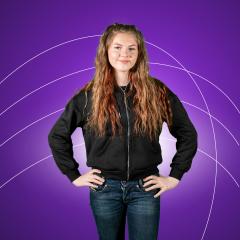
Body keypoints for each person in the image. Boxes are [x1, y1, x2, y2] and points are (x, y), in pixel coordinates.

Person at [48, 23, 198, 240]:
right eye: (117, 47)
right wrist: (73, 175)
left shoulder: (158, 93)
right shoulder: (88, 96)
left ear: (140, 53)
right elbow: (57, 136)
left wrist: (175, 176)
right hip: (105, 189)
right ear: (106, 51)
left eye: (131, 48)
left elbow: (188, 134)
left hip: (145, 188)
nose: (124, 54)